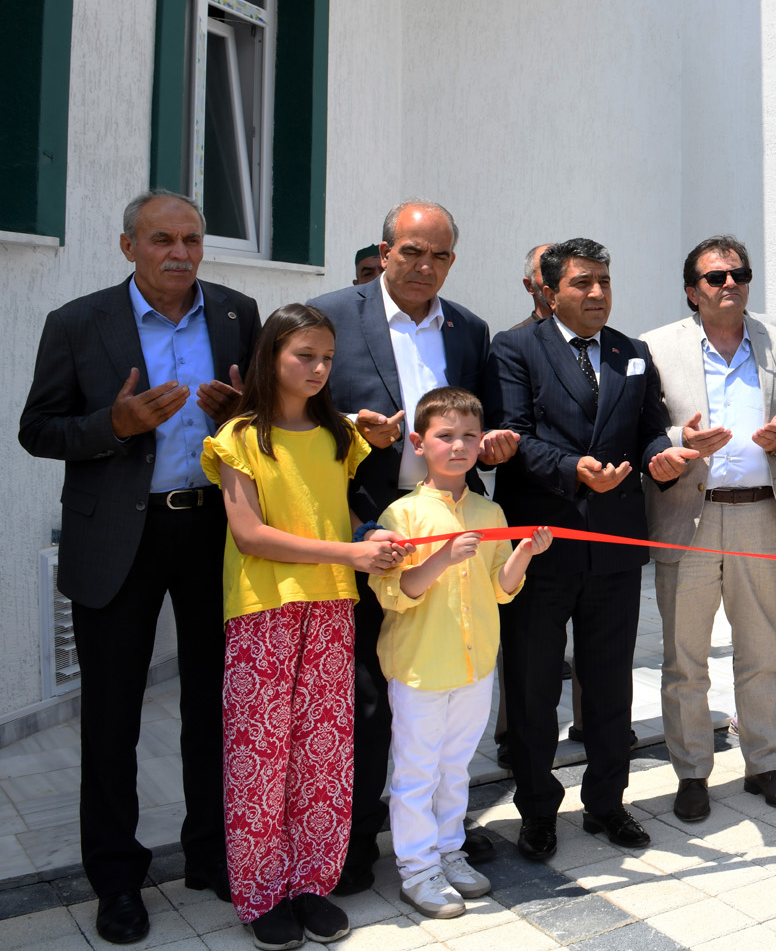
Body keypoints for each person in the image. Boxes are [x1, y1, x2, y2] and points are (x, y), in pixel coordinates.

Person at [16, 191, 259, 945]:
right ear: (128, 247)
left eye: (191, 237)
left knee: (213, 707)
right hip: (119, 538)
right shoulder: (78, 322)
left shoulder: (234, 312)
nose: (179, 252)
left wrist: (235, 415)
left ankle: (209, 853)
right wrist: (113, 425)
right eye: (161, 239)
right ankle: (117, 881)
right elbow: (37, 428)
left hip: (212, 532)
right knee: (114, 719)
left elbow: (258, 420)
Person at [310, 201, 511, 894]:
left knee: (440, 713)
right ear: (385, 249)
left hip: (448, 525)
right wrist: (347, 423)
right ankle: (359, 845)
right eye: (412, 251)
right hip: (363, 526)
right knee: (364, 699)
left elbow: (479, 416)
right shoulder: (331, 312)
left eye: (440, 255)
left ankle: (436, 842)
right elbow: (290, 402)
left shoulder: (469, 327)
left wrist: (496, 442)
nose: (425, 266)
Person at [202, 304, 406, 945]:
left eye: (326, 357)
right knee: (260, 758)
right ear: (270, 358)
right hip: (263, 610)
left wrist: (373, 538)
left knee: (322, 755)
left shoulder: (338, 437)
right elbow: (251, 533)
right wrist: (351, 553)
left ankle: (310, 883)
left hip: (331, 606)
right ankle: (262, 895)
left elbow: (335, 515)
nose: (317, 369)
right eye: (303, 356)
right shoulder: (239, 436)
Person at [484, 238, 687, 861]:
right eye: (582, 283)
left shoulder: (631, 351)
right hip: (542, 544)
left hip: (616, 549)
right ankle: (537, 811)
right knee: (534, 687)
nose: (597, 293)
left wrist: (666, 457)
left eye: (604, 280)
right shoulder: (514, 349)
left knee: (608, 686)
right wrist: (577, 470)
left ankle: (607, 803)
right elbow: (515, 436)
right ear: (549, 291)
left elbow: (648, 429)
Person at [641, 235, 776, 820]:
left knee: (763, 649)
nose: (730, 283)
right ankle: (692, 772)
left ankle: (766, 763)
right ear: (693, 291)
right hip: (689, 515)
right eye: (715, 277)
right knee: (686, 658)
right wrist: (674, 444)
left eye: (739, 273)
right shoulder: (656, 348)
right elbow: (639, 429)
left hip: (763, 514)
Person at [372, 387, 552, 918]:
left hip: (475, 666)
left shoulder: (489, 509)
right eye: (445, 436)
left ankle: (449, 850)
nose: (458, 446)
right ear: (418, 443)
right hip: (420, 666)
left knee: (455, 767)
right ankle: (416, 868)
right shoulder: (401, 516)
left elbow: (500, 588)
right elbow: (395, 592)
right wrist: (443, 559)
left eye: (469, 436)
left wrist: (522, 554)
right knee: (416, 771)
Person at [513, 243, 553, 331]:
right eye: (549, 272)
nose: (558, 279)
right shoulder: (516, 340)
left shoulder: (586, 334)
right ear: (529, 285)